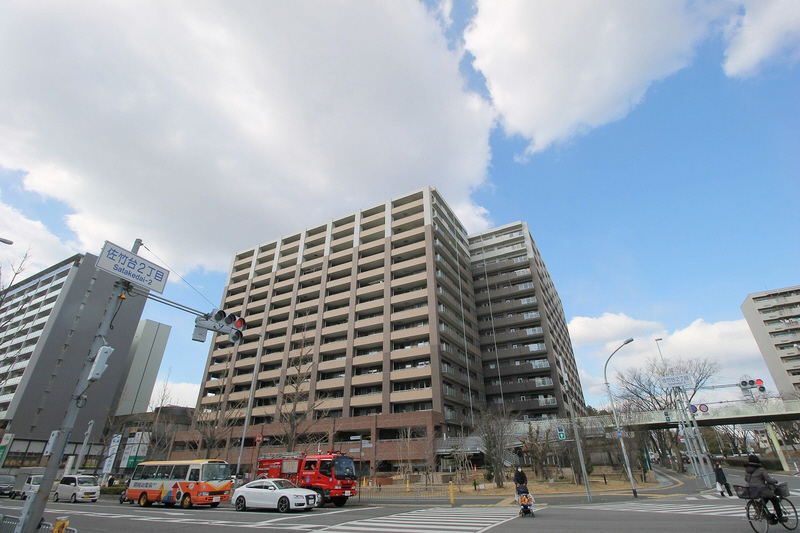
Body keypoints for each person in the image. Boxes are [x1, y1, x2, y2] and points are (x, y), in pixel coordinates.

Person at [745, 454, 786, 523]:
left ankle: (766, 514)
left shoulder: (747, 470)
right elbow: (768, 479)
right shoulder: (761, 469)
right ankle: (780, 517)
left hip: (751, 490)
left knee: (764, 500)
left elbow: (746, 479)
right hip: (761, 489)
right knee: (774, 500)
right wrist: (775, 481)